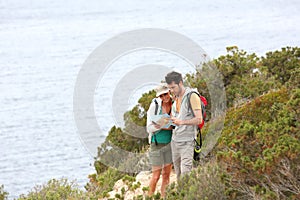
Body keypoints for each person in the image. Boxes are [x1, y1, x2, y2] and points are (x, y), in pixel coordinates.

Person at [165, 71, 202, 179]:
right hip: (175, 141)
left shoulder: (192, 96)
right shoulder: (176, 97)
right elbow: (175, 116)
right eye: (170, 88)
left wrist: (182, 122)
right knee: (179, 174)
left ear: (180, 83)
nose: (171, 91)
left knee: (186, 174)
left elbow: (198, 119)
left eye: (173, 87)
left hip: (187, 141)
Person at [146, 83, 173, 198]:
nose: (164, 97)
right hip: (156, 143)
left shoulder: (175, 103)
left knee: (166, 174)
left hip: (170, 143)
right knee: (156, 175)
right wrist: (165, 124)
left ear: (169, 92)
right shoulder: (154, 107)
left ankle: (164, 197)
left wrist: (164, 122)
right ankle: (150, 197)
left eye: (165, 94)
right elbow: (149, 128)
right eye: (161, 96)